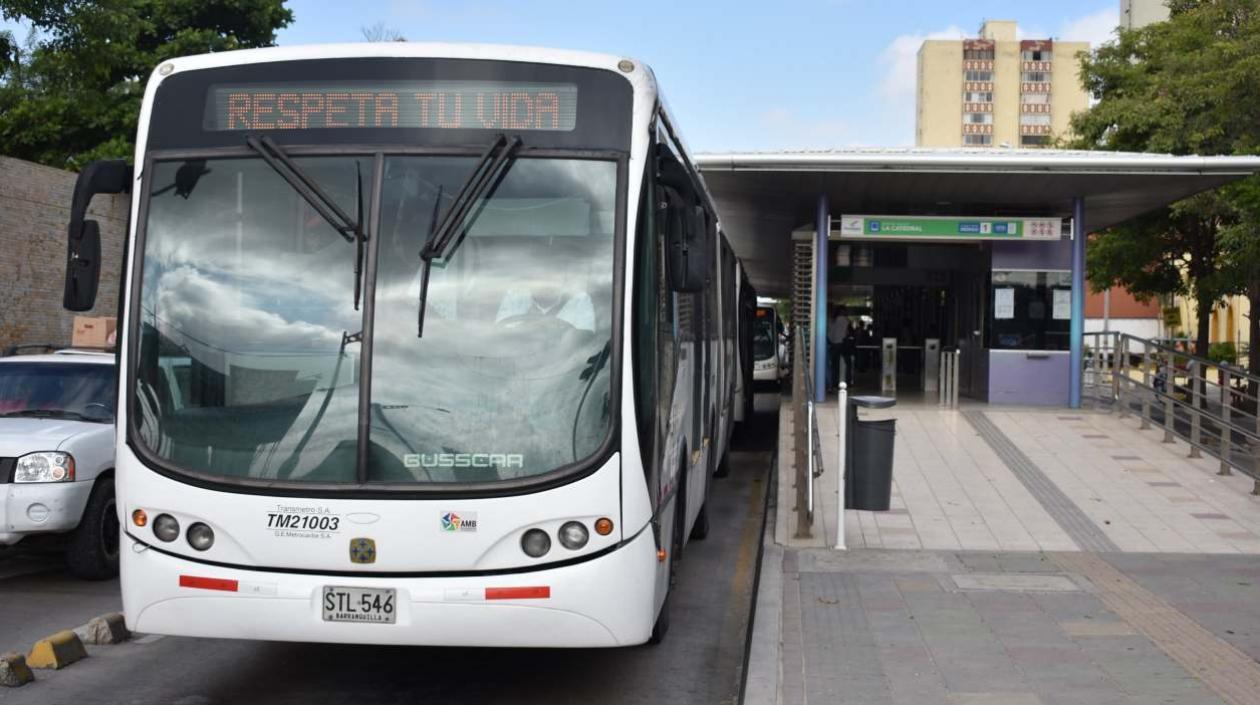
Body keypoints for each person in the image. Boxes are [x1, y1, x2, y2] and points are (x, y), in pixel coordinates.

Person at [827, 305, 850, 390]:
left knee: (834, 365)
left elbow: (830, 333)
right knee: (847, 363)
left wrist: (832, 341)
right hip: (843, 343)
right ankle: (848, 381)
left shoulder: (833, 321)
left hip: (835, 344)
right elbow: (847, 332)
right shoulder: (845, 320)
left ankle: (834, 383)